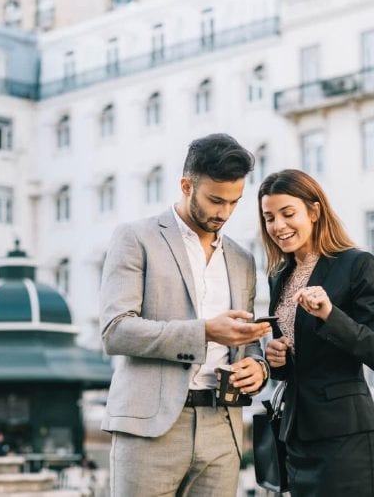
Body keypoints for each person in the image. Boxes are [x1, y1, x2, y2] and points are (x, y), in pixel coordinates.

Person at [100, 133, 272, 496]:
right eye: (215, 200)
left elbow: (247, 341)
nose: (224, 213)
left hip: (222, 427)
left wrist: (258, 369)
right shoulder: (135, 238)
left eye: (234, 202)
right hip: (150, 428)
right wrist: (205, 332)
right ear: (186, 186)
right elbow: (116, 331)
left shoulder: (242, 259)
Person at [259, 169, 374, 496]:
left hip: (347, 441)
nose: (278, 225)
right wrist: (277, 359)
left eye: (288, 213)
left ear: (314, 211)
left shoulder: (357, 264)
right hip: (297, 440)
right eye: (269, 218)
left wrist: (330, 315)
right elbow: (299, 361)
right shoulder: (279, 276)